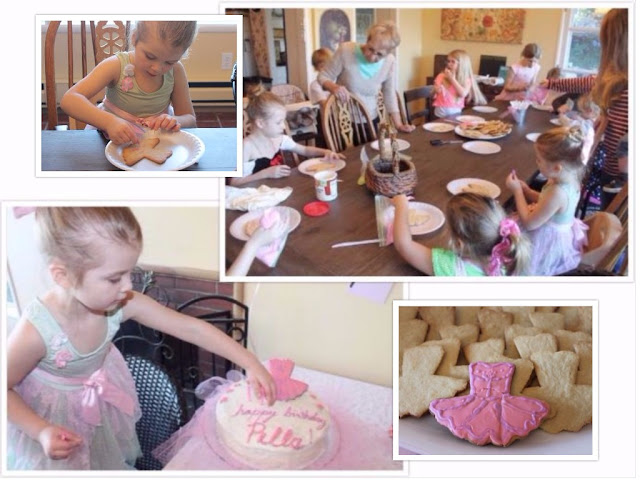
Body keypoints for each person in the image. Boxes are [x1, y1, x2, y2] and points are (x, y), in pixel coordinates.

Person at [6, 207, 276, 469]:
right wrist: (40, 430)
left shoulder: (122, 304)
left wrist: (249, 362)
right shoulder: (36, 331)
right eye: (114, 279)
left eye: (130, 272)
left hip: (99, 415)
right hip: (50, 424)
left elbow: (191, 328)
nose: (128, 286)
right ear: (62, 276)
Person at [60, 21, 198, 145]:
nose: (157, 68)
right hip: (108, 141)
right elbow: (69, 99)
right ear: (134, 37)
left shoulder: (176, 71)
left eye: (169, 62)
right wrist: (108, 122)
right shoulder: (116, 66)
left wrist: (176, 121)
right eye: (150, 56)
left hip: (158, 142)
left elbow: (190, 119)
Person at [542, 8, 628, 200]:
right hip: (611, 168)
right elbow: (587, 82)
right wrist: (551, 83)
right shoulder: (614, 79)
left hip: (622, 178)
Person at [506, 126, 589, 276]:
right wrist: (528, 191)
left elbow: (529, 223)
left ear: (557, 168)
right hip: (552, 226)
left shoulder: (558, 191)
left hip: (546, 241)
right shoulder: (568, 177)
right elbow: (547, 203)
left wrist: (517, 191)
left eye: (539, 160)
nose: (536, 163)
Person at [391, 193, 530, 276]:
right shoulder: (509, 260)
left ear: (459, 244)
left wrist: (401, 205)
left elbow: (404, 245)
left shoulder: (452, 268)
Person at [234, 84, 345, 186]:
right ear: (260, 123)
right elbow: (235, 182)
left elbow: (304, 150)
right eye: (278, 122)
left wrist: (325, 152)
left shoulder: (278, 139)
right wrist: (265, 174)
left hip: (275, 190)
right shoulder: (246, 147)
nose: (283, 126)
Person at [317, 22, 415, 133]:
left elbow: (389, 94)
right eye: (370, 49)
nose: (372, 57)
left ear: (388, 53)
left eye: (380, 54)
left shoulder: (389, 62)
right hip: (342, 120)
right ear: (367, 40)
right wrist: (334, 87)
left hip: (370, 120)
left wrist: (399, 125)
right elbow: (323, 76)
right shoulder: (346, 51)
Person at [432, 49, 487, 118]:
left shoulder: (466, 79)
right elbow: (435, 91)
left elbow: (463, 94)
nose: (449, 64)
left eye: (453, 62)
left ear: (462, 64)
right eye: (448, 61)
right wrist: (436, 90)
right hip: (440, 112)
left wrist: (452, 79)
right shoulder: (441, 75)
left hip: (455, 113)